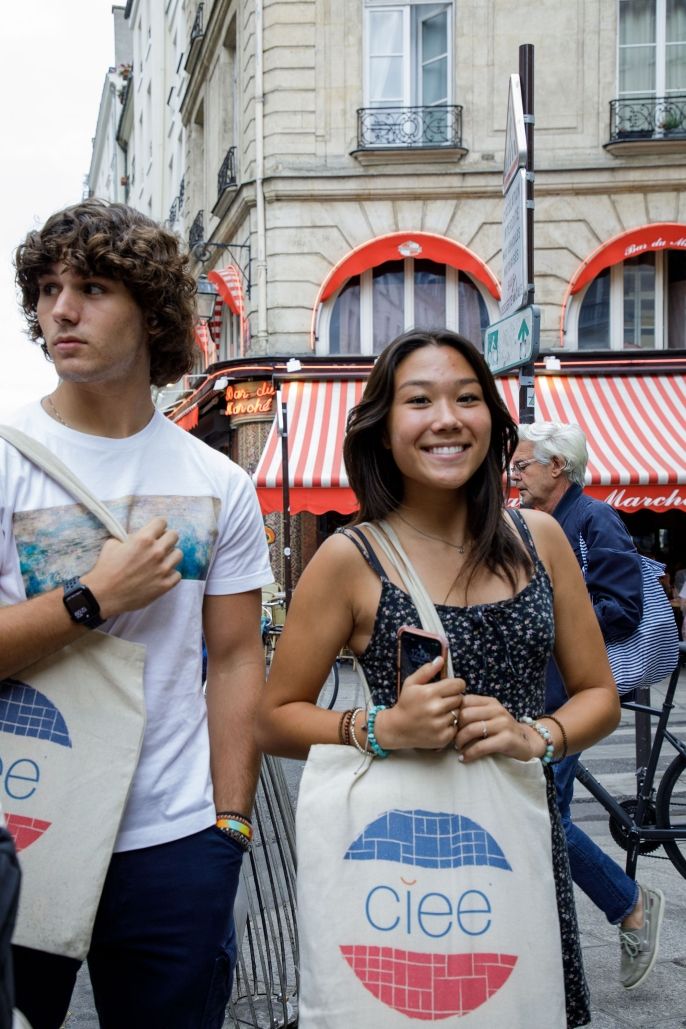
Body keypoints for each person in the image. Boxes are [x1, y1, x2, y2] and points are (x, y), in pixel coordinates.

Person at [256, 329, 620, 1028]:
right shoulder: (348, 558)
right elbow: (273, 715)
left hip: (514, 840)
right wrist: (380, 727)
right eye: (419, 400)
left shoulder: (539, 540)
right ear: (384, 428)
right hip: (398, 859)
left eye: (467, 398)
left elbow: (599, 695)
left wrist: (536, 735)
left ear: (493, 420)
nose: (448, 418)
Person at [1, 199, 273, 1029]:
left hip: (174, 839)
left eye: (91, 288)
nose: (62, 310)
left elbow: (232, 659)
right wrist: (93, 600)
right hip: (23, 826)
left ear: (152, 314)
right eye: (47, 289)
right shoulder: (8, 458)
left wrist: (229, 822)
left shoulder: (218, 481)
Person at [512, 421, 665, 991]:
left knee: (541, 818)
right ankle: (550, 937)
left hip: (571, 696)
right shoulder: (533, 521)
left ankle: (629, 904)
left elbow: (622, 607)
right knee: (547, 817)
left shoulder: (592, 518)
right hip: (540, 692)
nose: (515, 475)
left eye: (523, 465)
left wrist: (550, 623)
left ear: (558, 467)